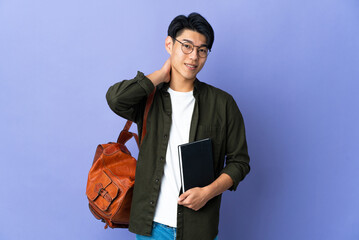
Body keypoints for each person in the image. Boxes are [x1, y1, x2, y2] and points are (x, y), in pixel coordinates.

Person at [106, 12, 250, 240]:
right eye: (187, 46)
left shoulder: (222, 104)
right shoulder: (149, 98)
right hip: (150, 227)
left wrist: (207, 193)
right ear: (169, 44)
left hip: (198, 229)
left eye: (202, 50)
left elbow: (240, 162)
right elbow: (116, 99)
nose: (194, 57)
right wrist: (159, 75)